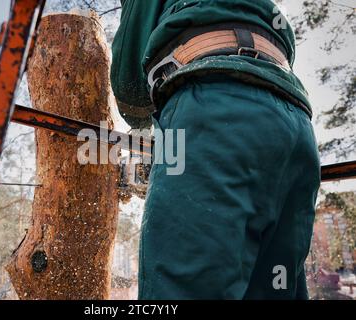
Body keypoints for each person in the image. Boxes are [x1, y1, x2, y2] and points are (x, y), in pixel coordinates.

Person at [110, 0, 321, 299]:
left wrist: (151, 141)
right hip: (295, 121)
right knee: (275, 288)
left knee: (181, 292)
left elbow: (128, 81)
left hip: (214, 105)